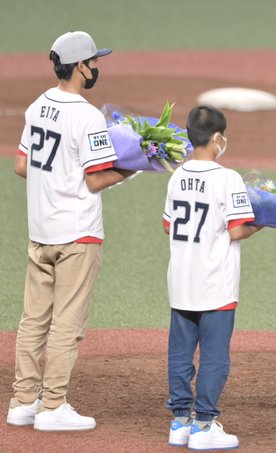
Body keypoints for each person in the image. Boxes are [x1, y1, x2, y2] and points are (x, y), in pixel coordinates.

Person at [7, 31, 135, 431]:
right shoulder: (87, 115)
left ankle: (23, 401)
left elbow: (22, 166)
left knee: (33, 320)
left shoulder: (37, 106)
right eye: (93, 61)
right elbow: (96, 179)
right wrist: (133, 169)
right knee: (66, 324)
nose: (96, 67)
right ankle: (52, 406)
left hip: (40, 230)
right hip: (77, 233)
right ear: (80, 66)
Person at [162, 105, 262, 450]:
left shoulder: (177, 176)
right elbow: (237, 230)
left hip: (181, 281)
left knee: (180, 352)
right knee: (214, 357)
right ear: (218, 137)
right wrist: (263, 223)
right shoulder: (227, 178)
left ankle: (180, 422)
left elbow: (167, 226)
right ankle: (204, 425)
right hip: (215, 282)